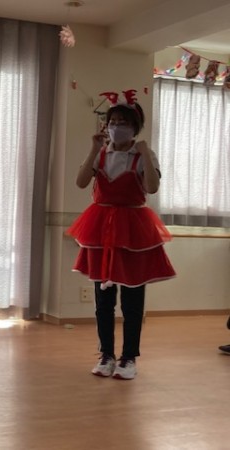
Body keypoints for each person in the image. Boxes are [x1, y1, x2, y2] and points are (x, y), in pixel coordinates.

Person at [66, 91, 175, 380]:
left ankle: (129, 358)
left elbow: (151, 188)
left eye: (123, 122)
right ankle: (106, 355)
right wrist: (93, 149)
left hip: (134, 230)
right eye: (112, 121)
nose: (116, 126)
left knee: (132, 300)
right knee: (103, 300)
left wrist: (145, 152)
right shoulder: (101, 153)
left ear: (135, 126)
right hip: (101, 228)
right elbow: (80, 183)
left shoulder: (143, 155)